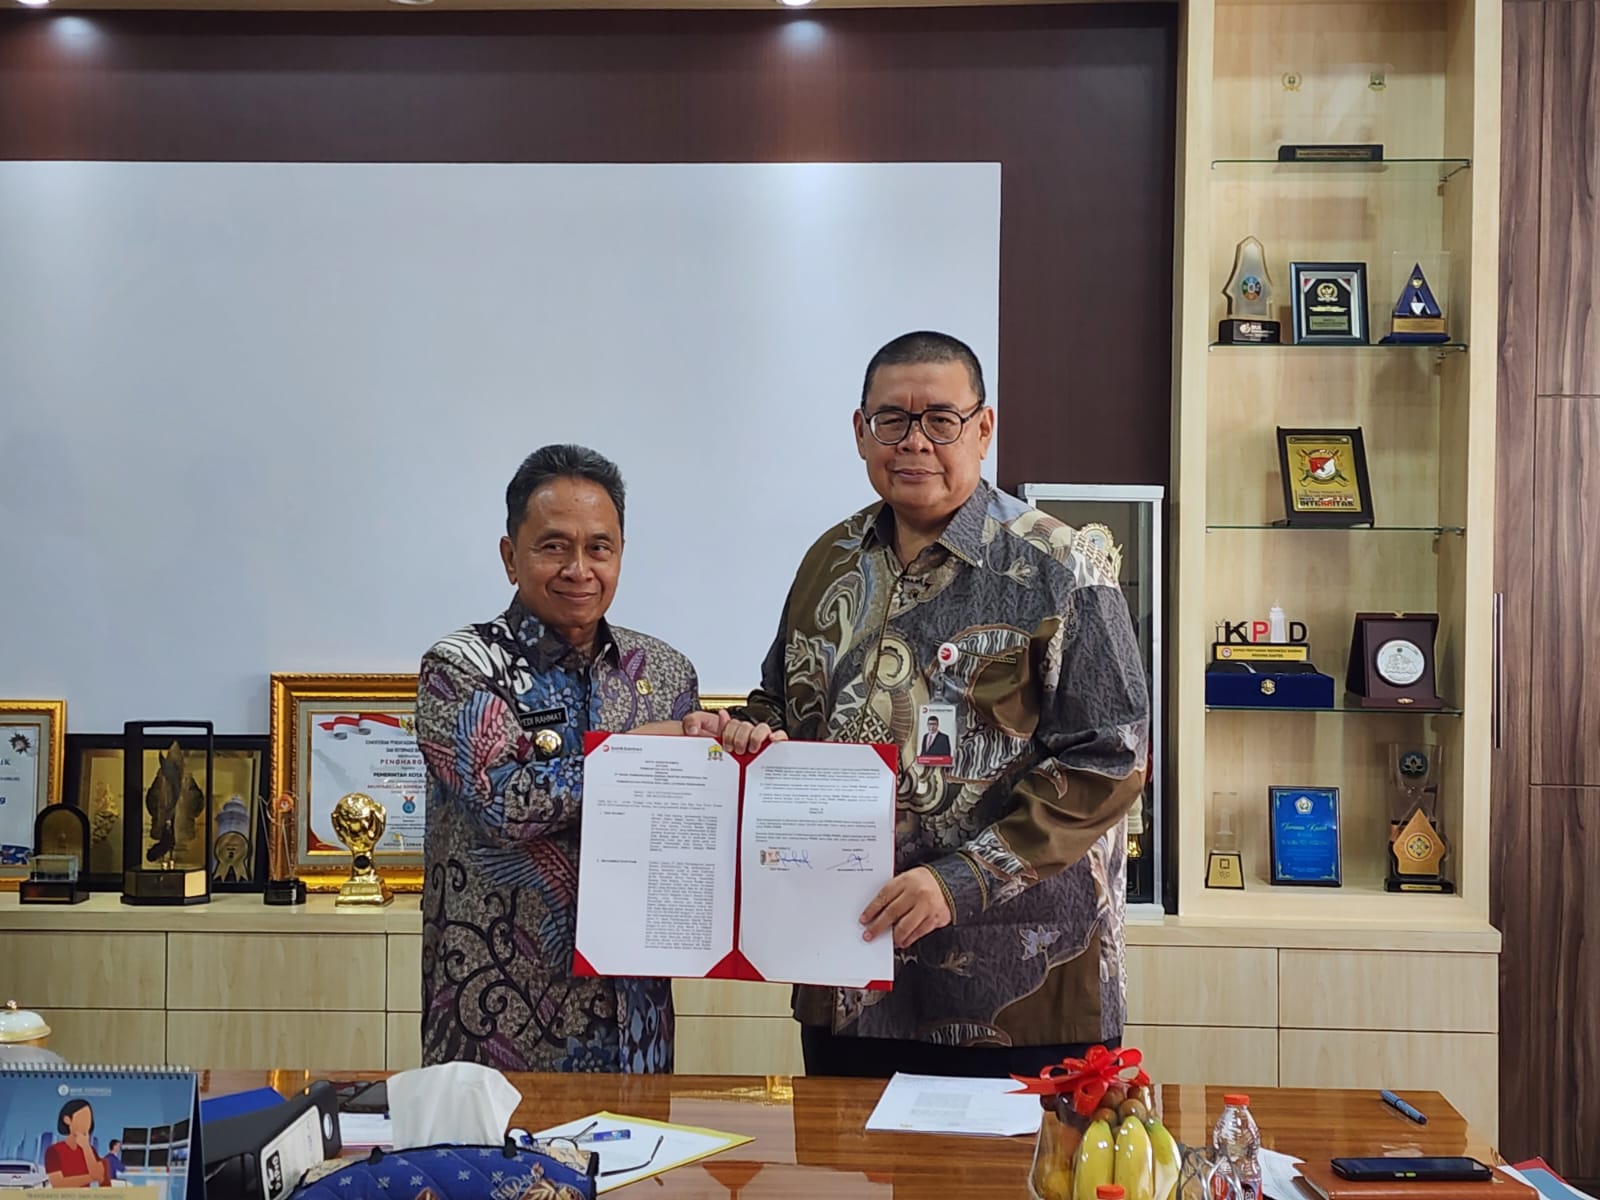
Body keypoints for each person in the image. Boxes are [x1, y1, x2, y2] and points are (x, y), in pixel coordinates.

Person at [693, 331, 1149, 1079]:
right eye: (892, 420)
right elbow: (783, 700)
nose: (915, 441)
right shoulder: (828, 561)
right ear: (860, 430)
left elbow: (1113, 755)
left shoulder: (1063, 568)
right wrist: (751, 733)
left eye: (941, 419)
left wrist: (959, 880)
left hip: (1017, 987)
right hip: (847, 969)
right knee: (844, 1157)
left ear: (983, 428)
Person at [417, 444, 700, 1072]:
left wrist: (740, 757)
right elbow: (501, 804)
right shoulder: (460, 667)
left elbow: (693, 829)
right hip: (497, 1024)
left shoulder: (665, 673)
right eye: (553, 546)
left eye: (600, 548)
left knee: (641, 1142)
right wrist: (636, 758)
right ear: (509, 556)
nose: (579, 569)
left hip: (636, 1026)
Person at [44, 1099, 105, 1187]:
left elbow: (100, 1177)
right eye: (82, 1118)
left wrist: (86, 1147)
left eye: (89, 1119)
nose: (86, 1124)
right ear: (67, 1120)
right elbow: (58, 1184)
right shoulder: (54, 1151)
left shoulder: (90, 1150)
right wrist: (91, 1177)